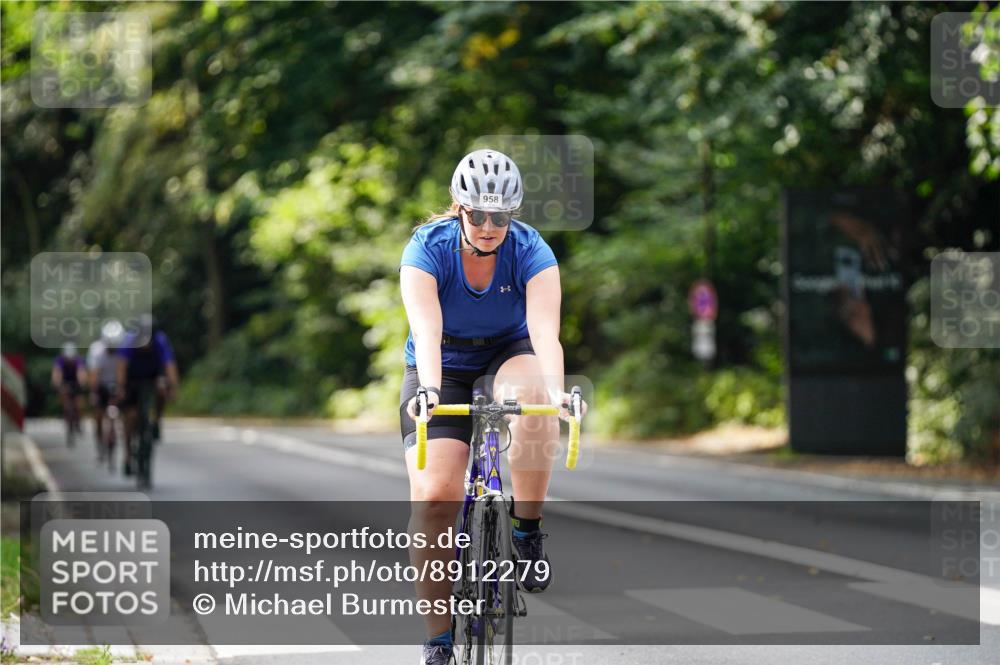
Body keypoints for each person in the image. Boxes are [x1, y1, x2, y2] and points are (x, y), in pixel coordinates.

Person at [399, 149, 587, 665]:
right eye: (478, 215)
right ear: (459, 208)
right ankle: (438, 640)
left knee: (534, 399)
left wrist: (557, 393)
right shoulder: (426, 249)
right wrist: (429, 392)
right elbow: (426, 332)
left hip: (508, 351)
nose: (488, 227)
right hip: (440, 364)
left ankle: (526, 530)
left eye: (500, 217)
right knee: (435, 498)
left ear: (513, 215)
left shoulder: (530, 249)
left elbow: (545, 334)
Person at [117, 315, 179, 484]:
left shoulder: (160, 341)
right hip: (132, 378)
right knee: (130, 416)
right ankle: (128, 455)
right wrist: (121, 389)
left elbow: (169, 365)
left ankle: (156, 420)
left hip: (152, 376)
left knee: (162, 389)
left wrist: (173, 388)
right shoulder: (129, 341)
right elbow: (121, 367)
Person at [88, 320, 125, 465]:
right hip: (101, 385)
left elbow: (125, 371)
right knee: (98, 416)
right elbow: (94, 374)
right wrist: (94, 393)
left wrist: (123, 388)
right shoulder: (96, 350)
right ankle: (99, 444)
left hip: (118, 384)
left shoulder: (124, 350)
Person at [51, 342, 87, 445]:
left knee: (78, 405)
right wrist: (57, 384)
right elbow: (56, 373)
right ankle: (66, 415)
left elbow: (81, 373)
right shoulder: (60, 360)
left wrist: (82, 383)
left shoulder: (78, 360)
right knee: (65, 401)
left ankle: (78, 421)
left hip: (76, 382)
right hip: (65, 382)